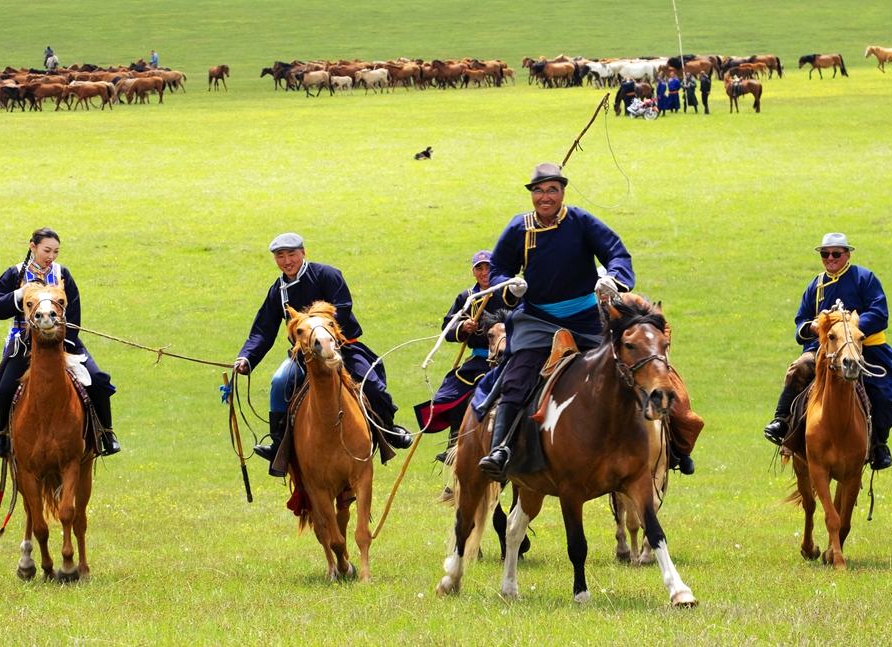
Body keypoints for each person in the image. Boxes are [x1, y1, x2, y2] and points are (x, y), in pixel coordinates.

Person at [478, 163, 704, 479]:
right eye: (539, 191)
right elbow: (500, 267)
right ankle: (500, 448)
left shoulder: (581, 221)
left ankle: (675, 443)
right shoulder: (519, 228)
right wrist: (509, 287)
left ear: (562, 192)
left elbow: (617, 253)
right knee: (517, 376)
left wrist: (613, 278)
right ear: (532, 195)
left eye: (552, 190)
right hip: (536, 319)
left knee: (636, 366)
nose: (546, 197)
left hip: (585, 318)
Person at [236, 233, 412, 477]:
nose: (287, 261)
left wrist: (318, 333)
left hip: (342, 348)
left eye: (291, 254)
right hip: (304, 356)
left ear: (303, 252)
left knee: (371, 384)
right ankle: (278, 443)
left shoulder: (327, 275)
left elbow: (343, 307)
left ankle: (389, 428)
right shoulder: (278, 290)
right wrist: (246, 358)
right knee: (278, 382)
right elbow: (263, 330)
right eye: (280, 256)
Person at [762, 233, 892, 470]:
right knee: (799, 368)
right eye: (825, 254)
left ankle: (879, 444)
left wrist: (848, 327)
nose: (830, 258)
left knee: (882, 391)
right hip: (825, 349)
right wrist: (813, 326)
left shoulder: (864, 278)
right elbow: (801, 323)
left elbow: (879, 313)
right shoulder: (815, 286)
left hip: (864, 347)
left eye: (836, 253)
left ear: (847, 254)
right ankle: (782, 420)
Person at [0, 228, 120, 458]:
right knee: (5, 387)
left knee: (97, 379)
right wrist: (19, 295)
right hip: (25, 342)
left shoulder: (62, 273)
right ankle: (2, 436)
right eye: (47, 250)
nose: (51, 256)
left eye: (56, 251)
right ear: (32, 247)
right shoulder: (15, 274)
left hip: (63, 339)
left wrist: (64, 341)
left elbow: (74, 311)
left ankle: (106, 433)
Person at [414, 251, 519, 463]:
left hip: (510, 357)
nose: (484, 272)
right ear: (473, 271)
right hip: (479, 360)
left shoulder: (508, 293)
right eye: (479, 268)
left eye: (488, 267)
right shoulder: (467, 297)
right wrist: (463, 326)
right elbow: (448, 326)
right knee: (455, 396)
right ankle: (454, 444)